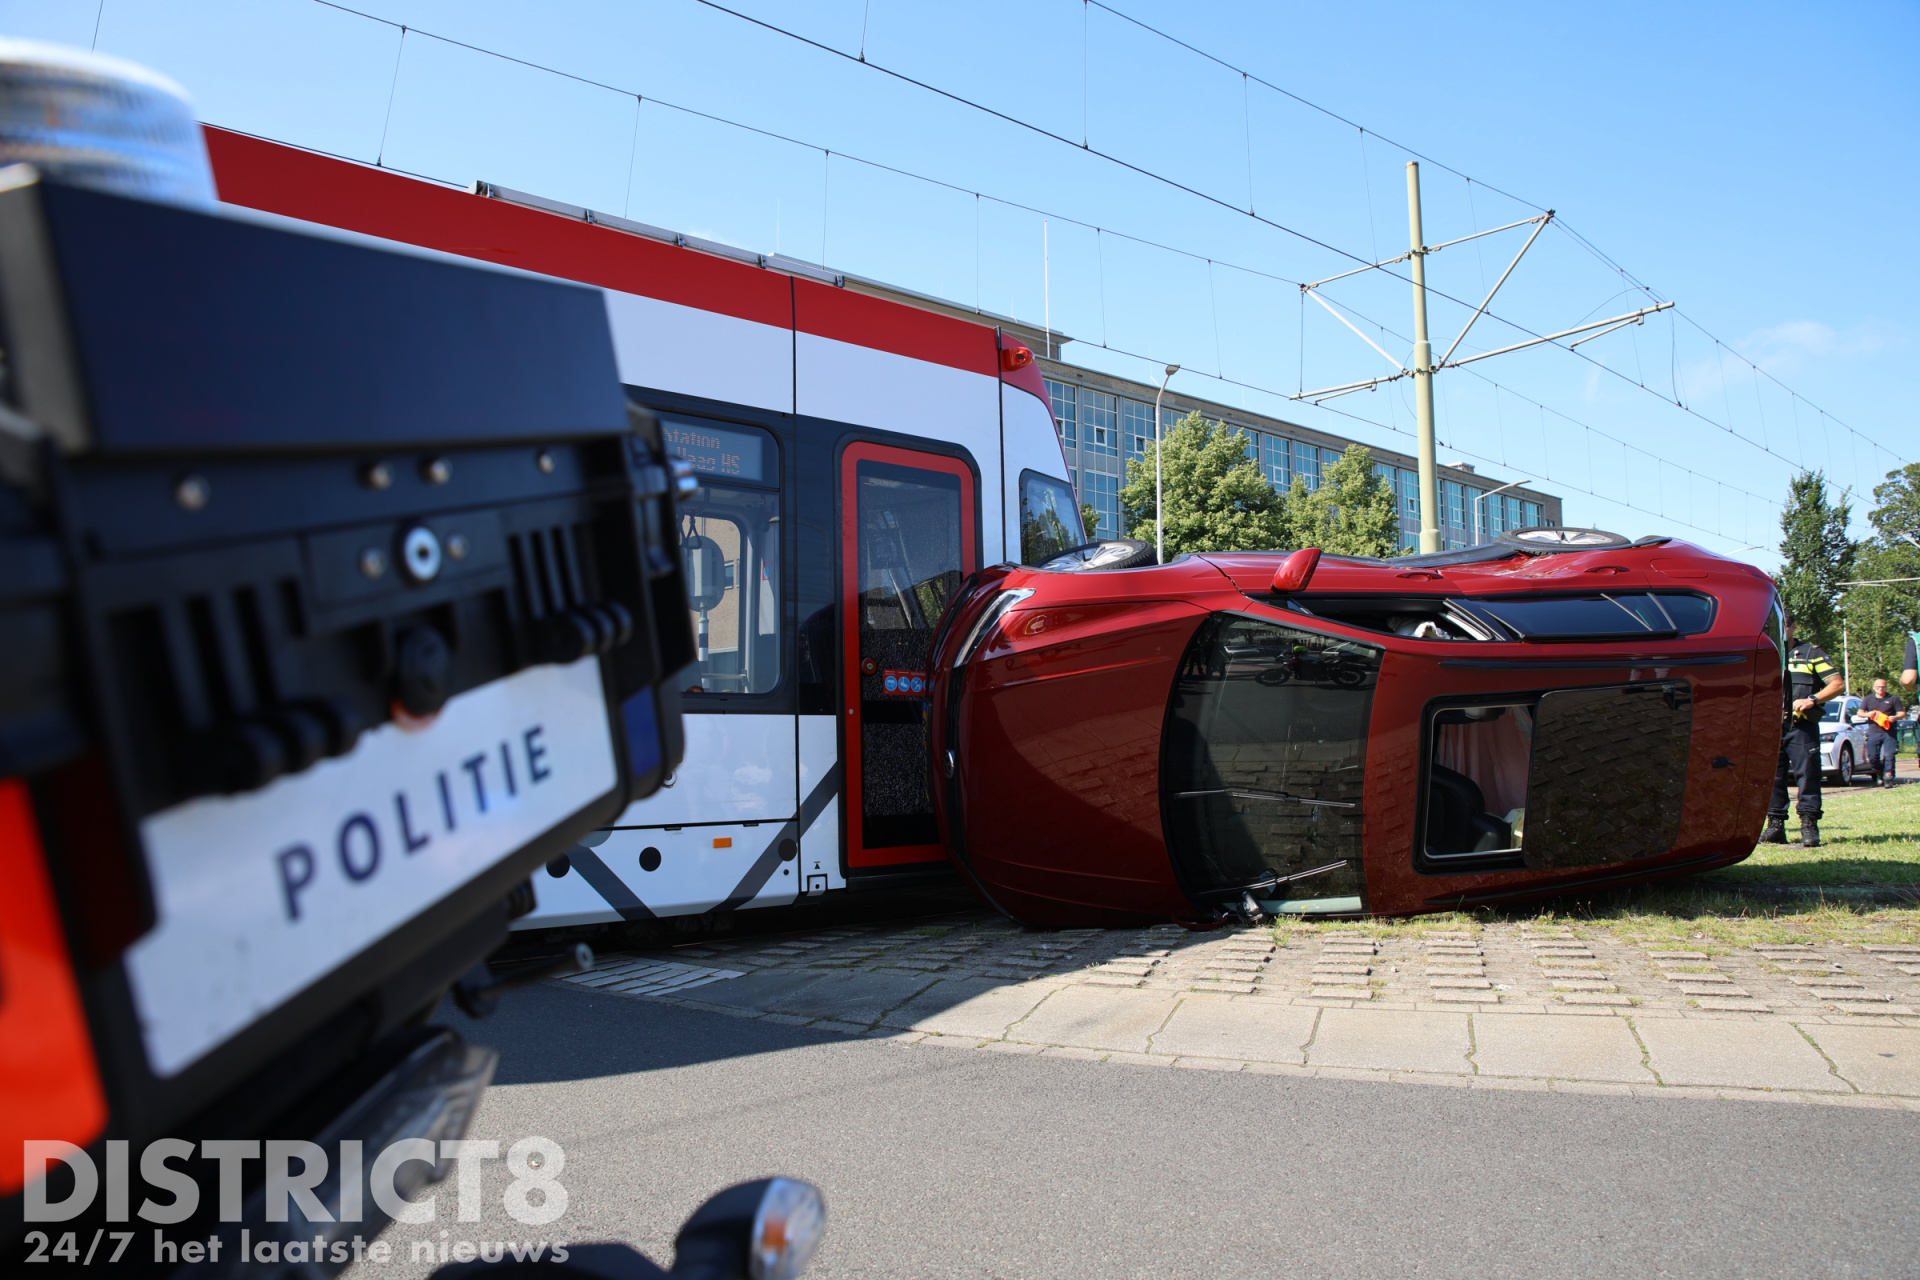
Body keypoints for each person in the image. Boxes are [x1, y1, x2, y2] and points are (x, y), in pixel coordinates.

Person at [1763, 615, 1846, 847]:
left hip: (1801, 726)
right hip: (1770, 727)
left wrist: (1812, 699)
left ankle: (1809, 825)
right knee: (1772, 778)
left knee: (1808, 776)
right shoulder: (1766, 654)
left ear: (1792, 628)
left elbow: (1837, 685)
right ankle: (1775, 826)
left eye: (1783, 628)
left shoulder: (1811, 653)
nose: (1779, 632)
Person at [1860, 676, 1906, 789]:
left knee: (1889, 755)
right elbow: (1860, 712)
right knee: (1873, 757)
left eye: (1883, 687)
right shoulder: (1868, 699)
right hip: (1874, 732)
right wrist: (1868, 714)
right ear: (1874, 688)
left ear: (1886, 687)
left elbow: (1902, 713)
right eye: (1878, 687)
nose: (1880, 689)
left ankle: (1888, 777)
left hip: (1889, 731)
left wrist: (1894, 717)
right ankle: (1879, 772)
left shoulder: (1893, 699)